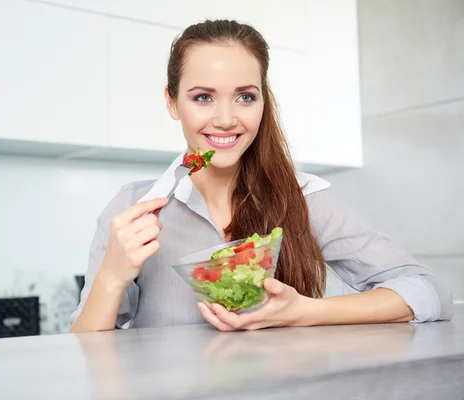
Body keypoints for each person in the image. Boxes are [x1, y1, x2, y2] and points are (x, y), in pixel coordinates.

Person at [69, 19, 453, 333]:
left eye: (245, 96)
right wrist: (111, 276)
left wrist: (303, 312)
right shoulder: (131, 209)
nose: (225, 118)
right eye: (203, 97)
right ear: (172, 102)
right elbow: (80, 355)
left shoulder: (301, 197)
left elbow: (428, 291)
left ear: (263, 102)